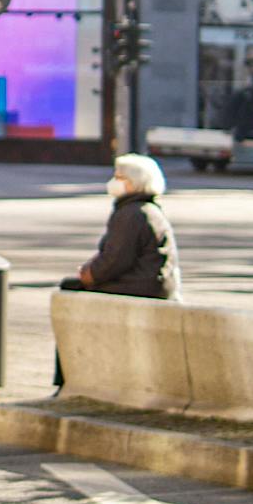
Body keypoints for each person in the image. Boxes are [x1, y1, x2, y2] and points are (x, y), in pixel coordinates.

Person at [54, 153, 180, 386]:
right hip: (148, 284)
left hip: (140, 287)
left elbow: (114, 260)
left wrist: (88, 274)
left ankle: (67, 379)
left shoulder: (133, 213)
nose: (114, 181)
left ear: (135, 182)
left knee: (69, 292)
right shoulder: (143, 209)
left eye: (120, 177)